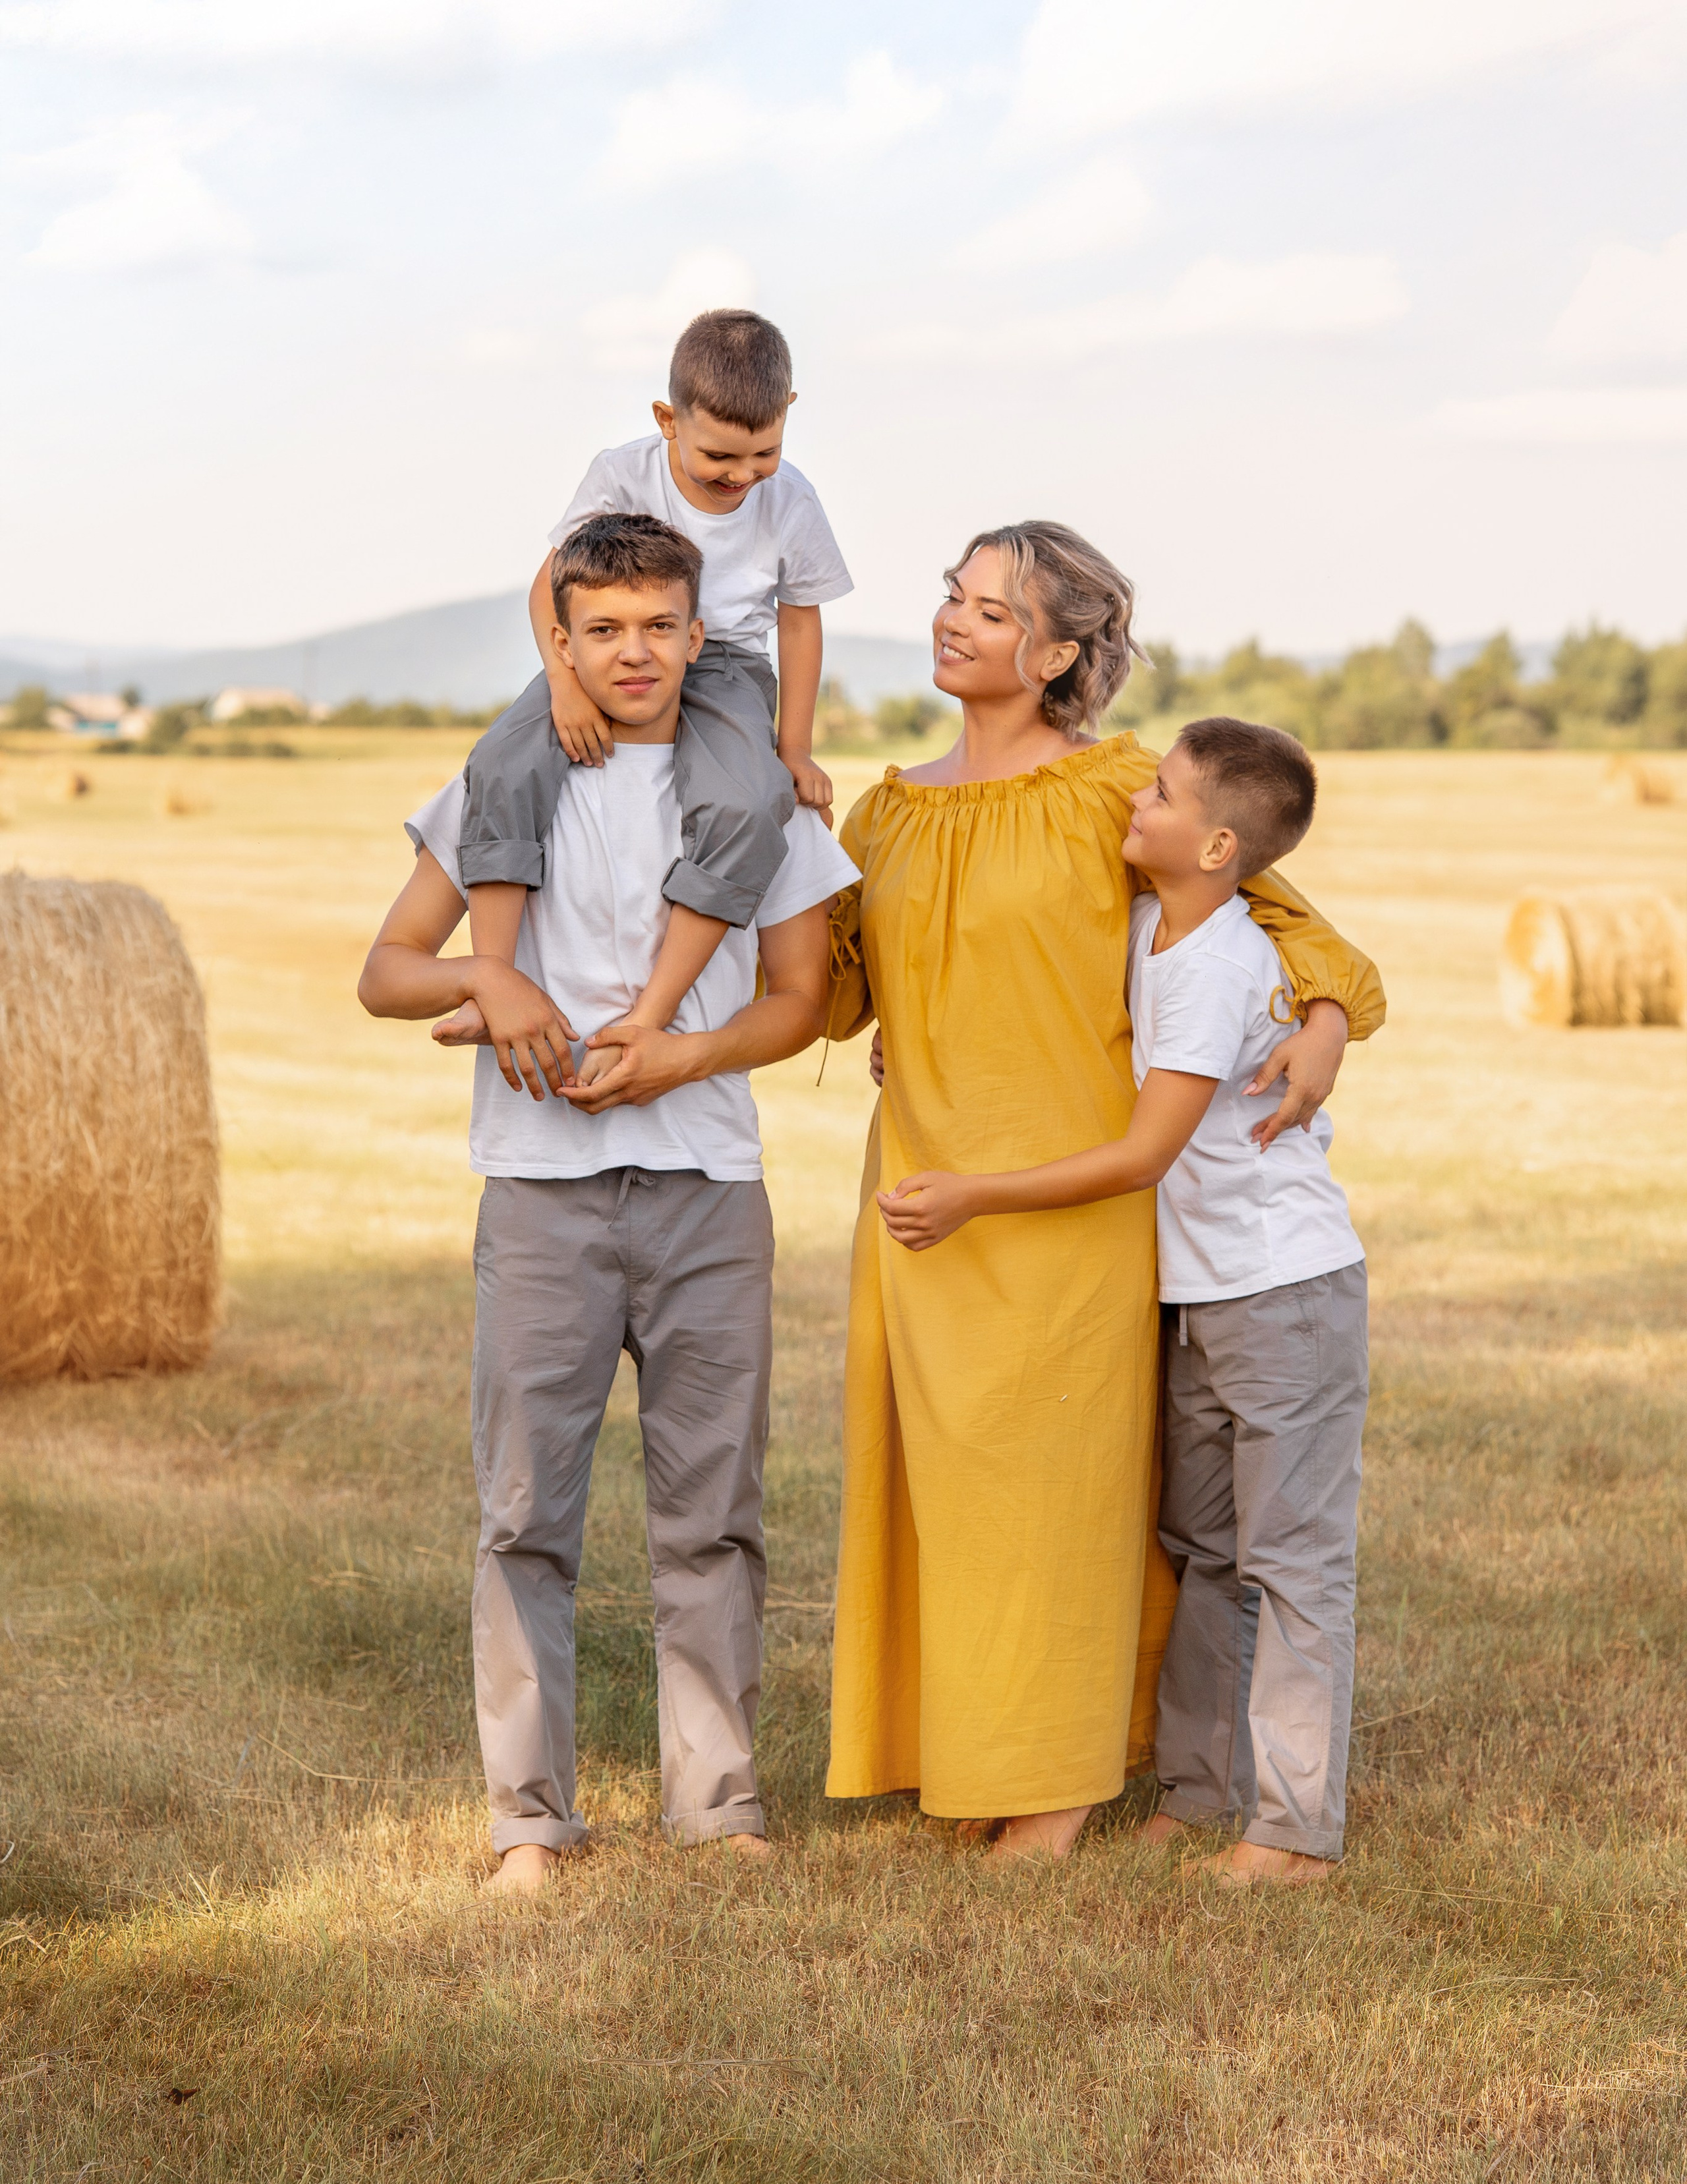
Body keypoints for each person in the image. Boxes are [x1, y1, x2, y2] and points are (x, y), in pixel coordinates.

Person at [822, 522, 1385, 1860]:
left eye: (987, 607)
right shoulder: (882, 810)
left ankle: (1062, 1785)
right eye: (950, 598)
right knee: (941, 1491)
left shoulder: (1117, 795)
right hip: (920, 1192)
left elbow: (1296, 931)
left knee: (1057, 1495)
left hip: (1070, 1201)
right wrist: (788, 851)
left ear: (1061, 651)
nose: (951, 620)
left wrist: (1318, 1025)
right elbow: (840, 998)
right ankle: (968, 1756)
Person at [357, 512, 857, 1888]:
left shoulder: (751, 792)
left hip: (707, 1187)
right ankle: (529, 1818)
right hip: (539, 1199)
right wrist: (489, 978)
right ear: (561, 642)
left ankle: (719, 1803)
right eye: (603, 630)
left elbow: (802, 1001)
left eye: (657, 627)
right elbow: (387, 970)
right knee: (526, 1516)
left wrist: (681, 1054)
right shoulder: (507, 781)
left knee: (713, 1510)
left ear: (700, 638)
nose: (632, 652)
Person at [453, 308, 853, 1084]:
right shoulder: (620, 473)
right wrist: (566, 688)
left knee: (747, 803)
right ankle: (489, 980)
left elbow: (800, 628)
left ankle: (651, 1011)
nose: (741, 476)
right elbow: (549, 588)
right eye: (718, 459)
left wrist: (793, 749)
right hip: (607, 650)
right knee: (501, 765)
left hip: (728, 663)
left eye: (764, 453)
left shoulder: (793, 501)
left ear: (788, 417)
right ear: (667, 422)